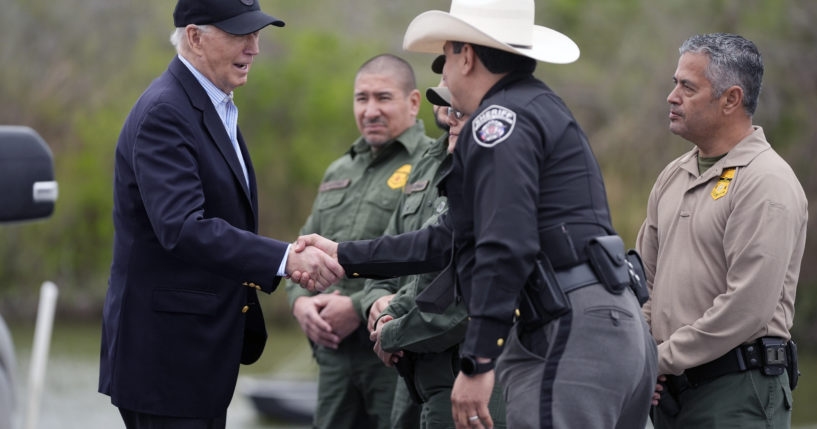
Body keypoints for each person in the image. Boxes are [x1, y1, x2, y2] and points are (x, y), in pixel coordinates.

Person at [293, 1, 658, 428]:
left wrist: (478, 362)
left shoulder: (496, 123)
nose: (443, 74)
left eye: (446, 56)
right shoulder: (537, 107)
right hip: (609, 327)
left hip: (568, 332)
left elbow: (505, 245)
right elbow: (448, 238)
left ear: (466, 56)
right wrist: (344, 255)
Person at [98, 1, 344, 427]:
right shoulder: (166, 112)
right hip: (165, 363)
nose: (255, 48)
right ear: (194, 37)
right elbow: (182, 228)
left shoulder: (214, 103)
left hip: (196, 360)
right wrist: (286, 259)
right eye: (240, 34)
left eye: (257, 34)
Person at [636, 33, 808, 428]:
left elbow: (745, 308)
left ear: (731, 99)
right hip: (667, 389)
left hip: (736, 392)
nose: (672, 96)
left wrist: (657, 359)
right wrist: (643, 354)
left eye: (687, 87)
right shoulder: (672, 175)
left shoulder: (767, 182)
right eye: (674, 83)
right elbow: (644, 281)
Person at [284, 54, 435, 429]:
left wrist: (355, 306)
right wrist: (299, 303)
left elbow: (434, 257)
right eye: (361, 98)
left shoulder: (432, 164)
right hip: (334, 358)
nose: (370, 110)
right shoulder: (340, 169)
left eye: (383, 97)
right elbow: (301, 248)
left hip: (392, 354)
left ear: (413, 102)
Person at [363, 59, 507, 429]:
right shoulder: (426, 165)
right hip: (414, 372)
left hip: (471, 373)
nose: (449, 109)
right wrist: (379, 307)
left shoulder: (498, 172)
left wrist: (392, 328)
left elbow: (465, 290)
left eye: (458, 103)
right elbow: (395, 252)